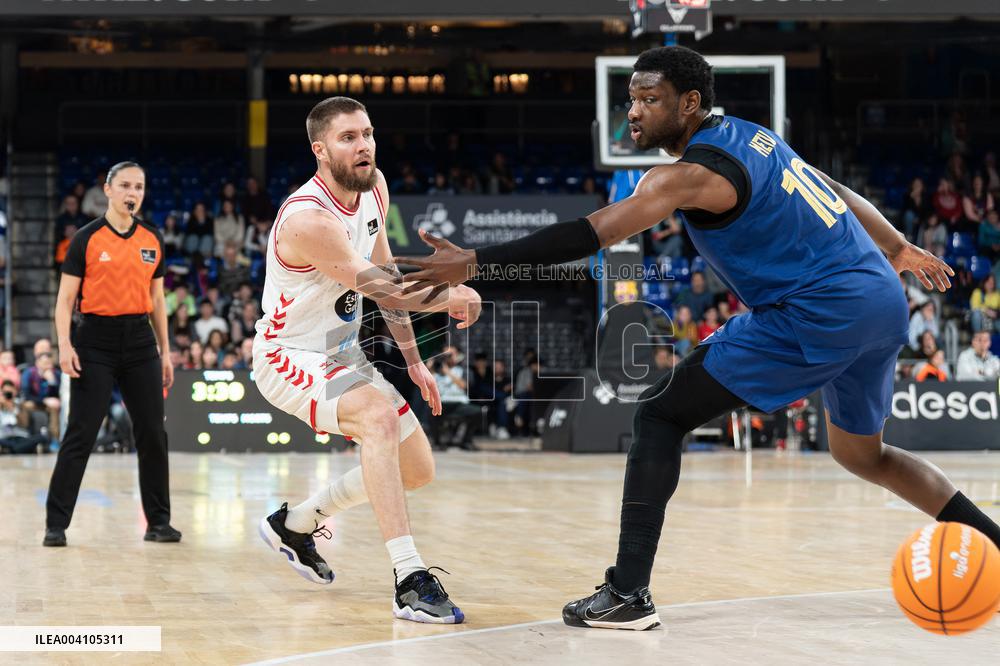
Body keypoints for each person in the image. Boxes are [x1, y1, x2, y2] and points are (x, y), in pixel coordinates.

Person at [399, 46, 1000, 630]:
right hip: (880, 302)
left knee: (660, 414)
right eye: (631, 99)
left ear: (689, 103)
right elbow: (835, 189)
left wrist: (475, 262)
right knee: (863, 455)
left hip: (819, 312)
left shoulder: (689, 176)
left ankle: (627, 593)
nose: (633, 112)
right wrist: (896, 246)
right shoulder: (755, 136)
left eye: (649, 99)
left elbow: (592, 233)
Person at [253, 96, 481, 624]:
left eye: (368, 134)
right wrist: (451, 296)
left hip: (341, 353)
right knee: (378, 419)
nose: (364, 146)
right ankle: (409, 578)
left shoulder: (376, 189)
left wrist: (414, 359)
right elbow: (384, 288)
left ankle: (297, 523)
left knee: (416, 470)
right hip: (288, 354)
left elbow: (388, 279)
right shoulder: (309, 219)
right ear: (320, 150)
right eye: (348, 138)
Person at [44, 161, 178, 548]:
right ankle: (56, 524)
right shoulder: (85, 239)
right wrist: (65, 345)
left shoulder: (152, 238)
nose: (132, 193)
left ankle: (159, 523)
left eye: (139, 187)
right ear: (108, 190)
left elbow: (157, 301)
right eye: (125, 186)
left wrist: (165, 352)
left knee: (152, 433)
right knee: (81, 433)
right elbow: (65, 300)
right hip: (94, 341)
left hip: (140, 341)